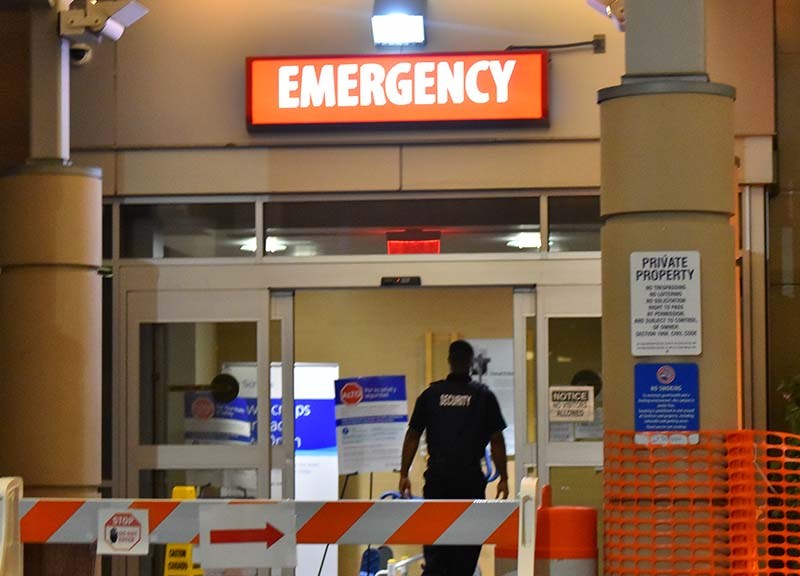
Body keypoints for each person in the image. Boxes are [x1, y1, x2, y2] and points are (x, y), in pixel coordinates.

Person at [398, 339, 509, 576]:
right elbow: (497, 440)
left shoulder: (431, 395)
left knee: (436, 552)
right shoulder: (483, 396)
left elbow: (412, 436)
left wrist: (404, 474)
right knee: (466, 552)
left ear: (449, 361)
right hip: (470, 482)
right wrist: (504, 478)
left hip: (438, 481)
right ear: (471, 363)